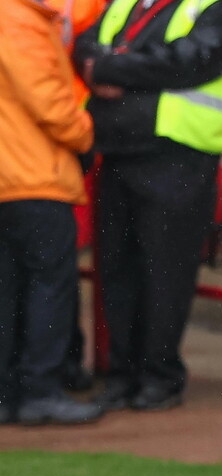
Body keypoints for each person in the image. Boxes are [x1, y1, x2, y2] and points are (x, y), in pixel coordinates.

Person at [74, 0, 222, 411]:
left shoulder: (217, 11)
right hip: (119, 151)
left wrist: (108, 68)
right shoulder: (123, 5)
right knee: (117, 268)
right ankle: (122, 376)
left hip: (178, 157)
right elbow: (83, 45)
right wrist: (106, 65)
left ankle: (160, 378)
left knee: (164, 272)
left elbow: (186, 62)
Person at [0, 0, 102, 426]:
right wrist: (87, 134)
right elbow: (50, 103)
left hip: (12, 176)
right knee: (49, 284)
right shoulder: (19, 21)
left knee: (9, 288)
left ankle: (9, 392)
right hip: (33, 175)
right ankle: (40, 389)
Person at [47, 0, 109, 393]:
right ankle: (45, 377)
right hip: (54, 140)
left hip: (57, 139)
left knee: (47, 272)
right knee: (47, 274)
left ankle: (57, 368)